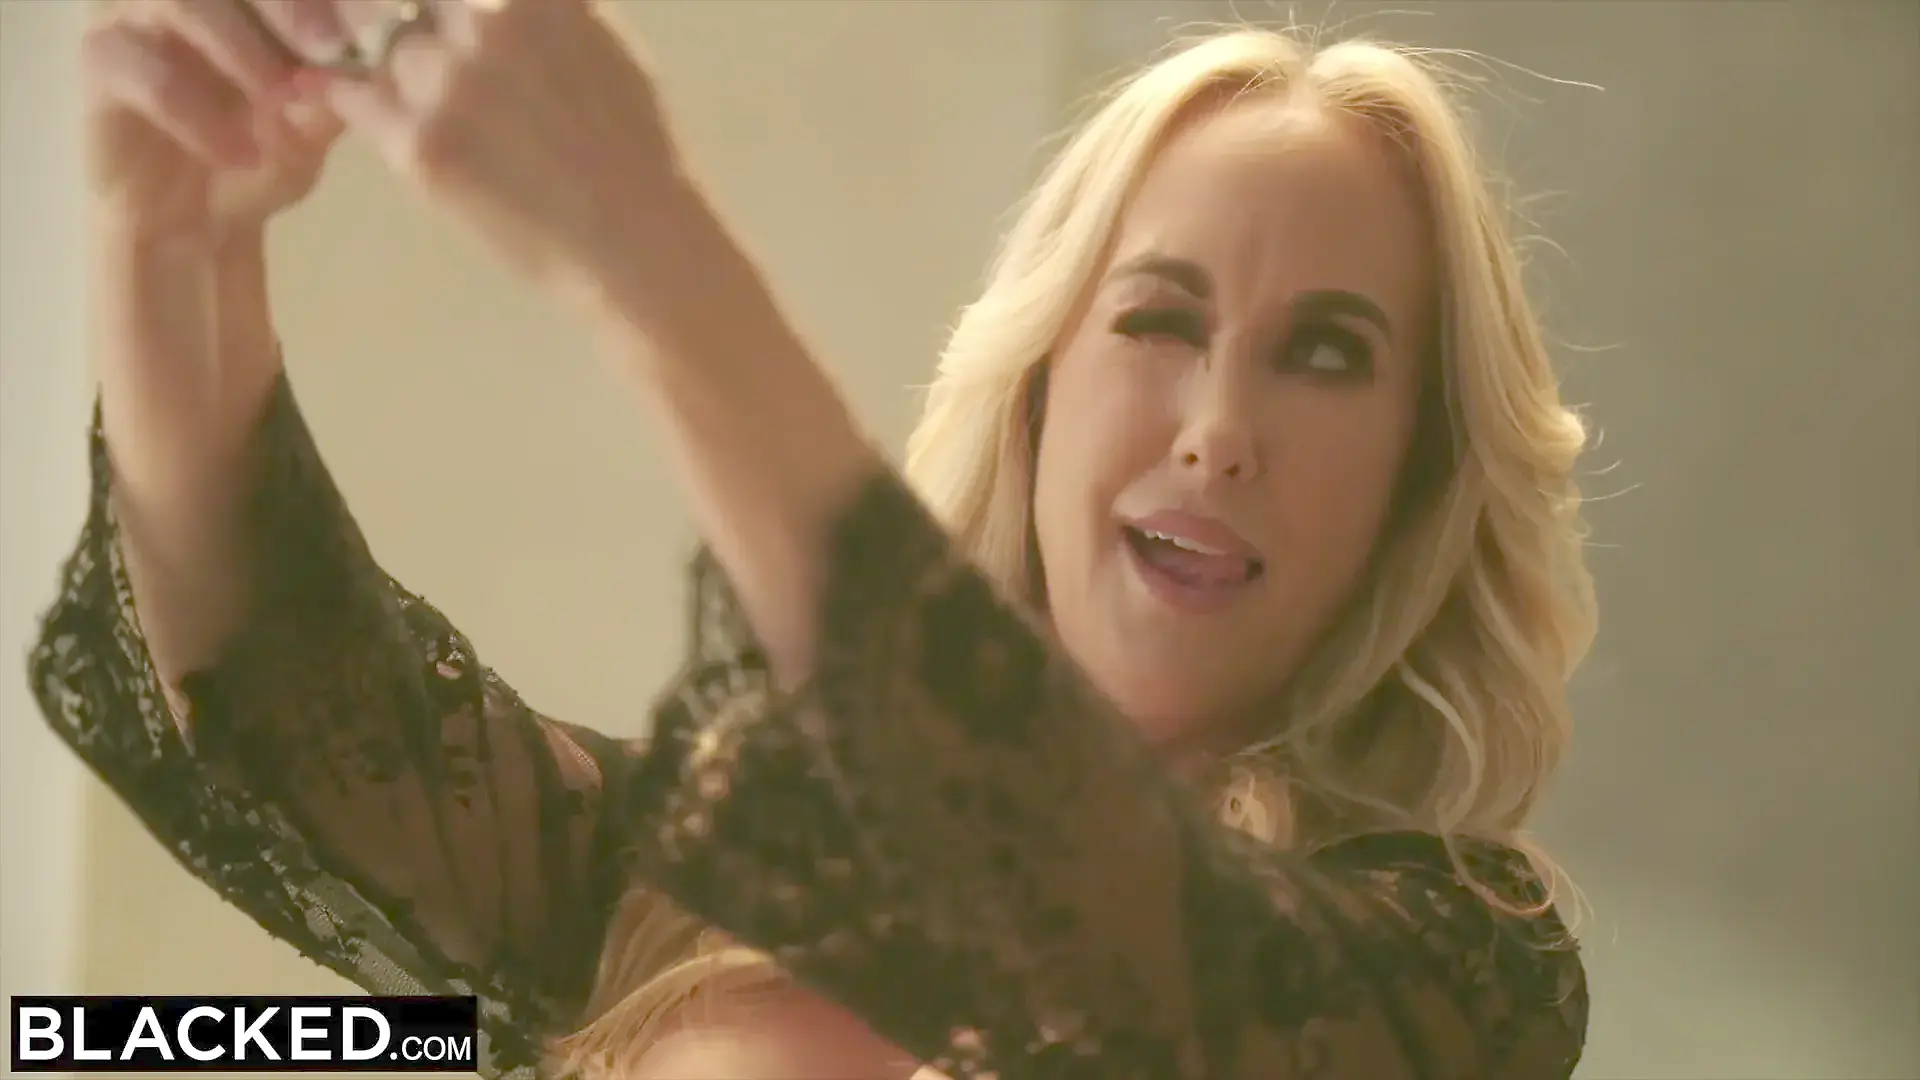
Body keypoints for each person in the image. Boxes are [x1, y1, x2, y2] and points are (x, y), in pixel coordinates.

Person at [34, 1, 1599, 1077]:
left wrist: (644, 243)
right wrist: (172, 234)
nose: (1217, 429)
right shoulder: (699, 876)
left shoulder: (1451, 971)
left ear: (1419, 479)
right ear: (1040, 383)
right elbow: (297, 707)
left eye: (1325, 354)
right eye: (1157, 319)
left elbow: (1147, 971)